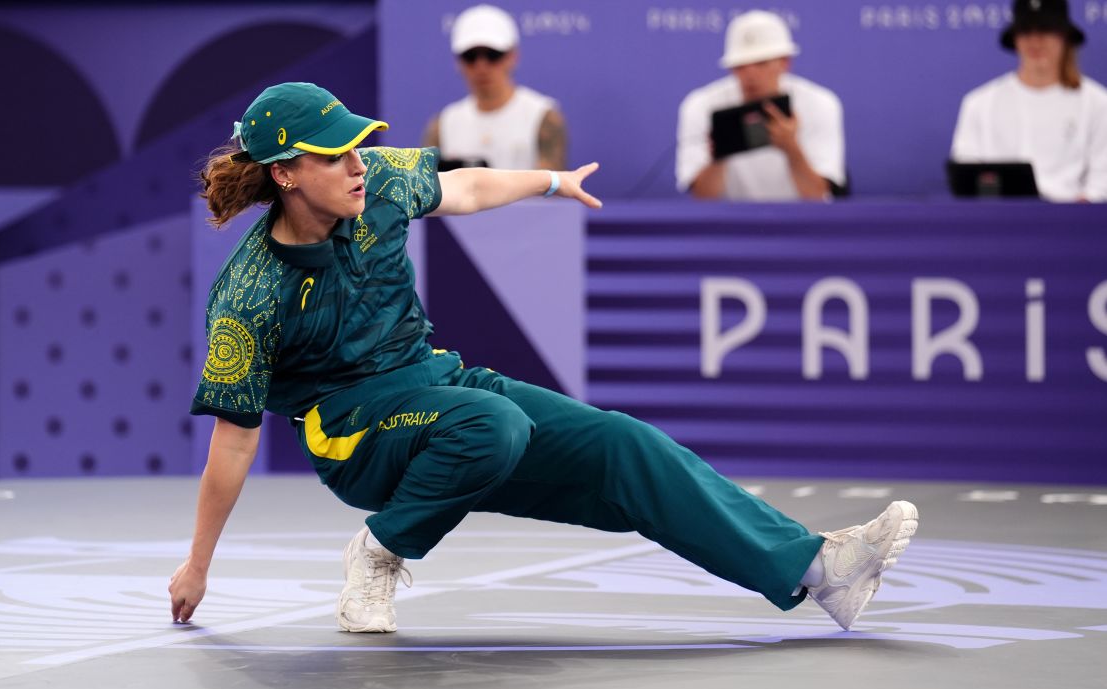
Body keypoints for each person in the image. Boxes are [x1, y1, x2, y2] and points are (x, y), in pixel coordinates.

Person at [169, 81, 918, 636]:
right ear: (285, 174)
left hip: (438, 384)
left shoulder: (380, 182)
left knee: (622, 445)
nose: (356, 162)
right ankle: (379, 551)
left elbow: (463, 188)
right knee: (493, 424)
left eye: (355, 143)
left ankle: (819, 570)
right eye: (332, 154)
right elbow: (234, 441)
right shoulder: (249, 294)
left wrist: (553, 181)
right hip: (351, 430)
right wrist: (198, 564)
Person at [676, 10, 846, 201]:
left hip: (799, 223)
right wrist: (720, 154)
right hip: (731, 223)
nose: (750, 74)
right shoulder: (701, 105)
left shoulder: (820, 103)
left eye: (761, 63)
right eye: (740, 66)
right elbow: (702, 197)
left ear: (784, 62)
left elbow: (816, 196)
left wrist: (791, 148)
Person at [950, 0, 1107, 202]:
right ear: (1015, 38)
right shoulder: (979, 103)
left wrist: (1070, 215)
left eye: (1046, 30)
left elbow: (1101, 184)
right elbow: (967, 176)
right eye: (1026, 31)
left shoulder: (1097, 104)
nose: (1035, 41)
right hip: (998, 224)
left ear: (1065, 37)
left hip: (1071, 226)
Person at [422, 4, 567, 171]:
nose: (481, 67)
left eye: (493, 55)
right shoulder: (443, 124)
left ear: (513, 56)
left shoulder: (542, 116)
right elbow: (427, 189)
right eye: (470, 56)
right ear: (458, 62)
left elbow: (551, 186)